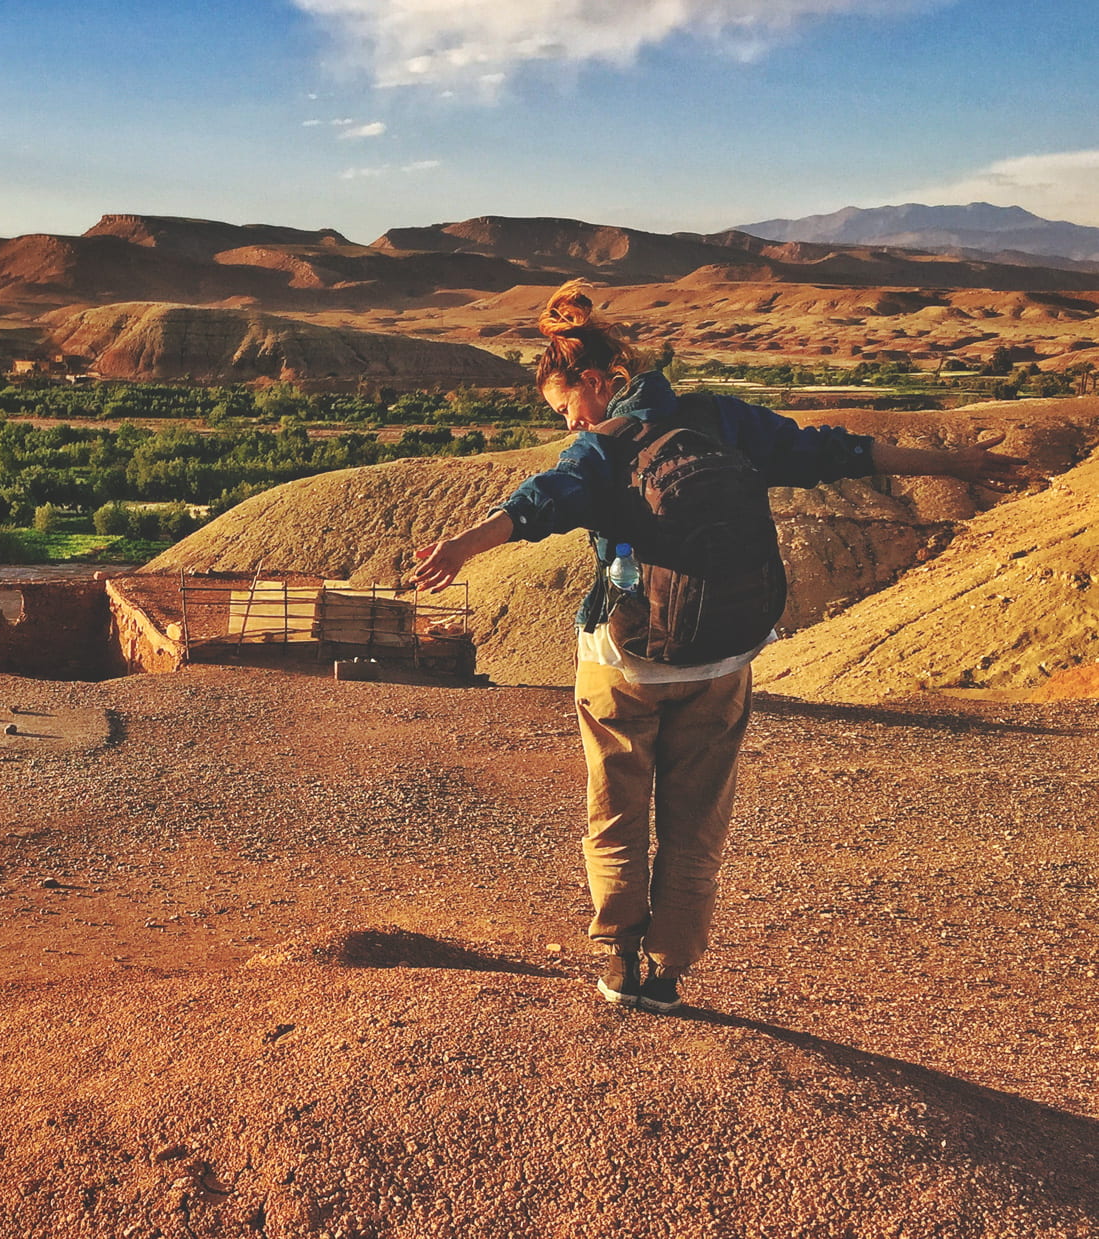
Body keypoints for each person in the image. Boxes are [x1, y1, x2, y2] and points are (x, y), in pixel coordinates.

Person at [410, 280, 1026, 1014]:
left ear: (598, 382)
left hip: (624, 663)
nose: (568, 420)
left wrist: (462, 545)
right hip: (724, 660)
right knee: (696, 819)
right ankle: (668, 971)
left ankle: (617, 957)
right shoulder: (721, 420)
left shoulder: (603, 446)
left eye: (566, 406)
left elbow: (536, 503)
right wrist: (949, 466)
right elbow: (834, 452)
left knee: (616, 810)